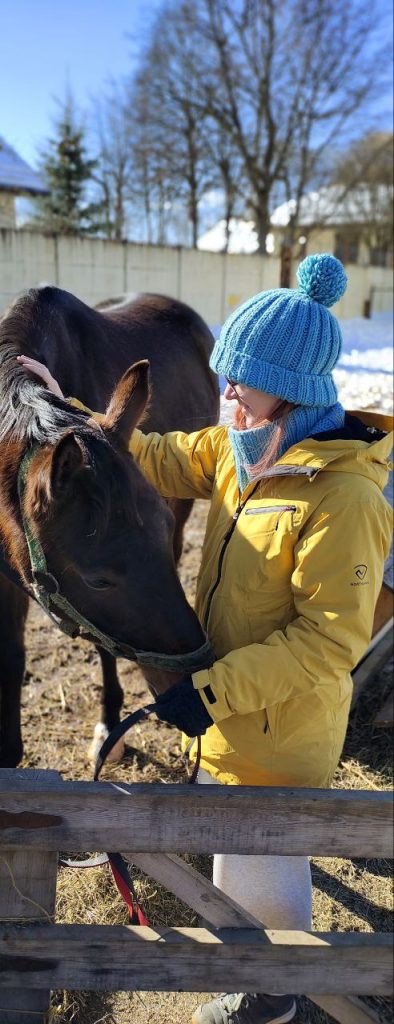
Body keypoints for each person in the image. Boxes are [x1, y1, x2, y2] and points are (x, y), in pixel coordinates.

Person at [19, 253, 393, 1024]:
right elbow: (143, 455)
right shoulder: (238, 450)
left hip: (281, 722)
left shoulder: (345, 496)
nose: (222, 396)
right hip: (230, 710)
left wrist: (210, 691)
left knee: (267, 856)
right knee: (237, 849)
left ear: (289, 391)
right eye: (221, 377)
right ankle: (266, 978)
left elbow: (328, 644)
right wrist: (52, 411)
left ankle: (277, 996)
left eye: (238, 383)